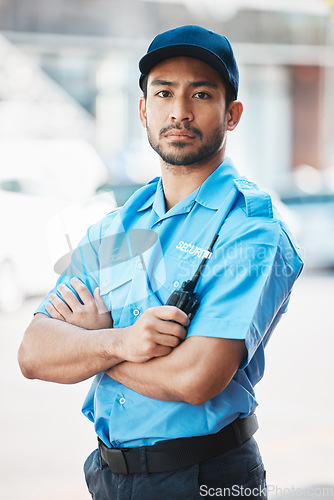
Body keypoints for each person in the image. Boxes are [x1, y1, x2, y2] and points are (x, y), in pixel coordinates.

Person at [18, 25, 303, 499]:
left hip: (204, 475)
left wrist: (92, 345)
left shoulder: (251, 231)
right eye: (164, 92)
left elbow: (197, 377)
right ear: (143, 109)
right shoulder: (117, 228)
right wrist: (125, 341)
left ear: (231, 114)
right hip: (109, 477)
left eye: (202, 94)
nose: (179, 111)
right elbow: (34, 352)